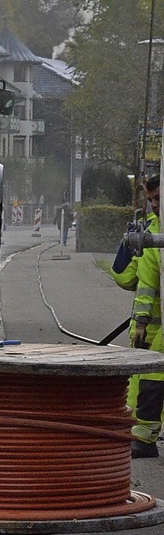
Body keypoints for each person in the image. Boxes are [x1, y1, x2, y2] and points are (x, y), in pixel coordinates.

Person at [112, 175, 164, 458]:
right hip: (152, 327)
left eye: (158, 198)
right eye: (151, 199)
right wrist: (129, 245)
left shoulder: (156, 233)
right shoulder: (152, 230)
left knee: (152, 377)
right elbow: (128, 278)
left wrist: (142, 321)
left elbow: (147, 285)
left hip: (151, 325)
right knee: (143, 381)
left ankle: (143, 437)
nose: (154, 204)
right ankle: (138, 434)